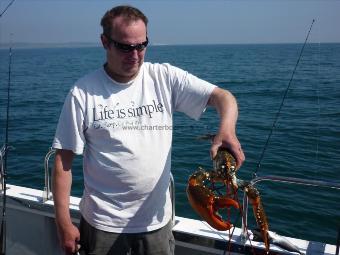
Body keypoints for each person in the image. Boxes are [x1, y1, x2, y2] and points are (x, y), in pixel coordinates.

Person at [52, 5, 245, 255]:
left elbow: (223, 97)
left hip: (157, 224)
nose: (135, 54)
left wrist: (227, 129)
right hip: (103, 225)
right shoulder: (82, 93)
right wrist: (63, 223)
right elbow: (62, 162)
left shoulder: (164, 78)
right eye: (125, 46)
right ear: (104, 42)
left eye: (141, 45)